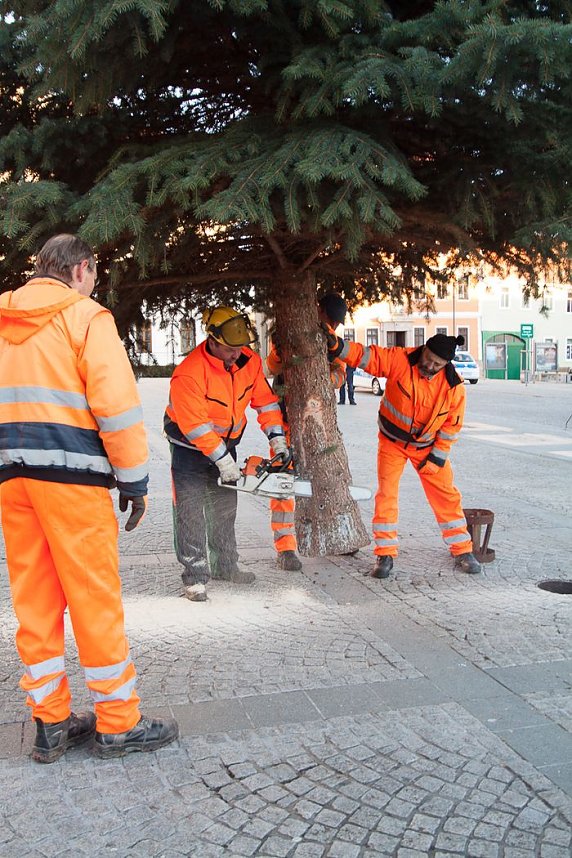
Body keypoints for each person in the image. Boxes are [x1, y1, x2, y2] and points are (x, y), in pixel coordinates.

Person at [0, 234, 178, 763]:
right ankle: (118, 723)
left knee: (34, 601)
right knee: (93, 598)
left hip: (13, 480)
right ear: (80, 269)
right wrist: (135, 482)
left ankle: (50, 722)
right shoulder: (86, 318)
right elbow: (116, 408)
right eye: (93, 277)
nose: (93, 286)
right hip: (73, 481)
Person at [327, 331, 481, 578]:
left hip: (427, 448)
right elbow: (368, 357)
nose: (429, 366)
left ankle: (462, 549)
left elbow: (452, 425)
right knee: (387, 494)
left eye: (437, 364)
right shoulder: (401, 359)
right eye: (428, 358)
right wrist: (338, 346)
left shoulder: (454, 387)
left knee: (446, 496)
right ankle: (385, 554)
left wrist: (438, 456)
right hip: (392, 443)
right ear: (424, 349)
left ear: (446, 365)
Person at [164, 306, 289, 601]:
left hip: (227, 445)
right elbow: (194, 425)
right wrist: (222, 461)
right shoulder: (190, 372)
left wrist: (278, 439)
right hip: (189, 449)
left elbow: (265, 402)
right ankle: (194, 577)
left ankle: (225, 565)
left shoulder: (249, 362)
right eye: (231, 349)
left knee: (224, 509)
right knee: (190, 511)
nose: (236, 354)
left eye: (240, 348)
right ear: (213, 341)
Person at [265, 293, 347, 569]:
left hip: (317, 424)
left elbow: (340, 375)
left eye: (334, 323)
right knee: (283, 482)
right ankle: (286, 546)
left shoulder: (333, 343)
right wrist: (284, 352)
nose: (331, 326)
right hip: (288, 421)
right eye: (330, 320)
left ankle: (335, 534)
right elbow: (272, 366)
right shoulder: (287, 336)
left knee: (327, 480)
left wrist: (322, 375)